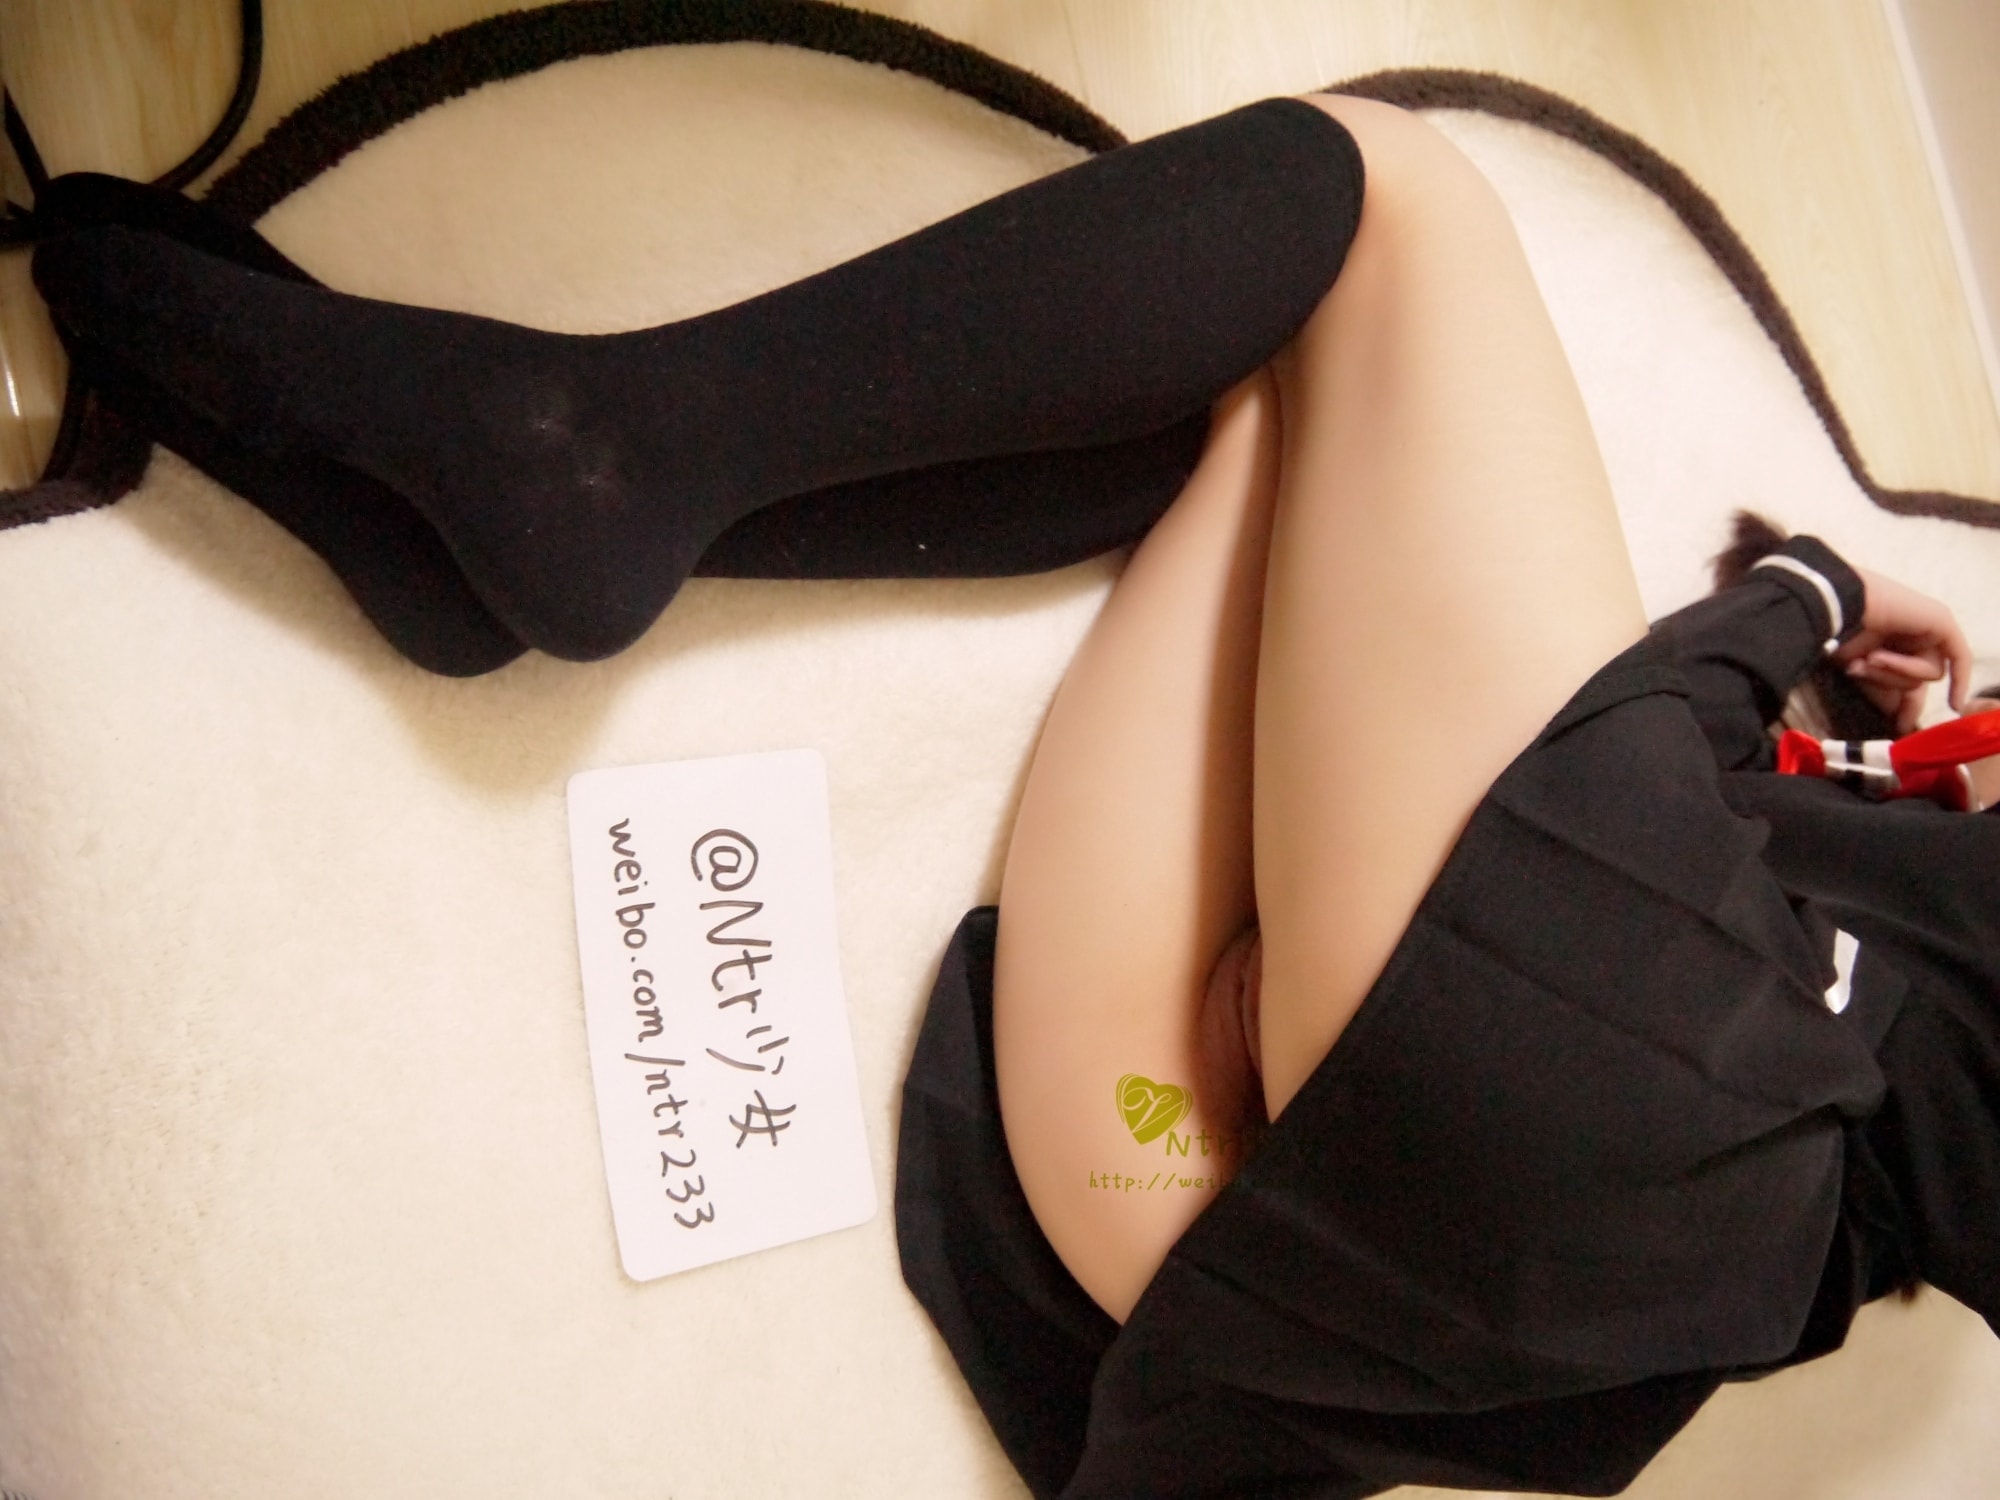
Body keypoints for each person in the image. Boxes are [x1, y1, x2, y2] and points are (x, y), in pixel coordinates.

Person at [31, 89, 2000, 1500]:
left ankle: (585, 457)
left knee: (1378, 208)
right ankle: (495, 554)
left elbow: (1646, 815)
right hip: (1280, 1254)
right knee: (1240, 387)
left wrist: (1803, 597)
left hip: (1591, 1074)